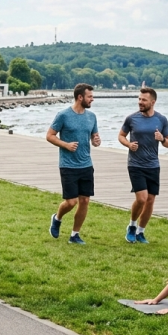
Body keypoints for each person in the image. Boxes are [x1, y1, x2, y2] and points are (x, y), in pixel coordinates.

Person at [46, 83, 101, 244]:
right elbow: (50, 135)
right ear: (80, 97)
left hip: (86, 164)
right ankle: (57, 218)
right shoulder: (63, 115)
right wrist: (66, 145)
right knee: (71, 201)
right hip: (68, 165)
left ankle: (74, 235)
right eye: (90, 96)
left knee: (84, 200)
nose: (92, 99)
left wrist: (96, 141)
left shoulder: (92, 117)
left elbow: (94, 138)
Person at [118, 86, 168, 244]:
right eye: (139, 99)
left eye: (144, 100)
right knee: (141, 199)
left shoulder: (161, 120)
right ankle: (132, 226)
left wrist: (162, 138)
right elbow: (121, 136)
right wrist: (128, 144)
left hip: (153, 165)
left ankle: (141, 232)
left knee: (150, 200)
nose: (140, 102)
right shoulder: (131, 118)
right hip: (135, 164)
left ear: (153, 102)